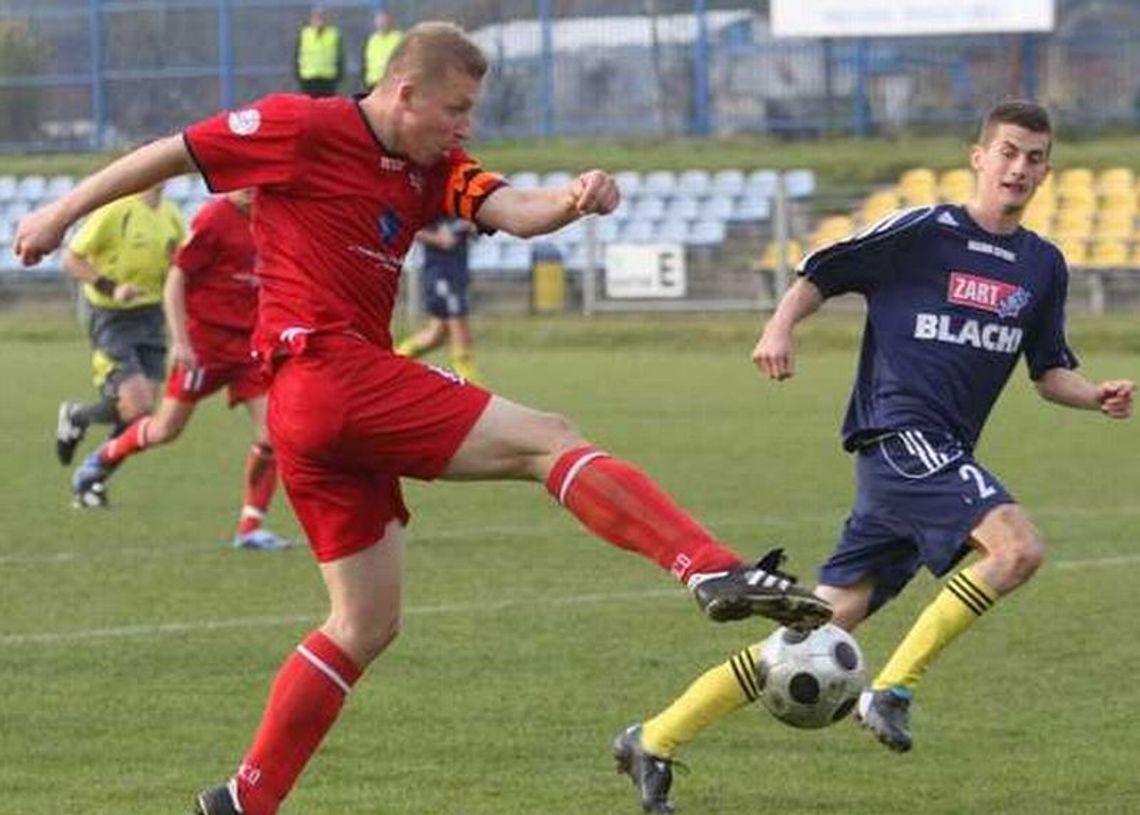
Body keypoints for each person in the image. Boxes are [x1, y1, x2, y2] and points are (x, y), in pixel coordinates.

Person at [14, 22, 831, 815]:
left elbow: (511, 208)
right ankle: (711, 566)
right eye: (455, 110)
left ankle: (244, 797)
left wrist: (575, 199)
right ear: (404, 93)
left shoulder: (430, 165)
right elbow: (176, 151)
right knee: (549, 438)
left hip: (315, 413)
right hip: (329, 371)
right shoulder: (303, 126)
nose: (464, 127)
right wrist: (59, 214)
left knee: (363, 622)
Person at [611, 99, 1134, 814]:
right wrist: (779, 326)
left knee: (813, 632)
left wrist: (1093, 394)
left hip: (933, 459)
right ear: (978, 156)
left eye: (1035, 157)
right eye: (1007, 151)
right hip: (899, 435)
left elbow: (1047, 371)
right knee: (1017, 548)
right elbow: (824, 267)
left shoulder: (1041, 265)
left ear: (1046, 171)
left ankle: (655, 737)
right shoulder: (925, 230)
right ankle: (889, 692)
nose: (1019, 167)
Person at [70, 188, 290, 550]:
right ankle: (103, 458)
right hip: (204, 345)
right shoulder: (214, 219)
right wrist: (182, 341)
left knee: (272, 437)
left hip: (248, 347)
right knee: (164, 429)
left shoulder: (274, 216)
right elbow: (176, 280)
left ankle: (250, 529)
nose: (253, 188)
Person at [54, 184, 186, 508]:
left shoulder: (171, 215)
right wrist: (111, 287)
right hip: (112, 316)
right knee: (139, 405)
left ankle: (90, 474)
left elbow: (183, 263)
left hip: (152, 316)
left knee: (138, 416)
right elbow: (71, 258)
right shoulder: (115, 210)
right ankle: (84, 450)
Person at [395, 217, 482, 383]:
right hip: (440, 273)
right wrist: (437, 239)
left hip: (458, 271)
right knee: (460, 329)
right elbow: (412, 228)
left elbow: (476, 231)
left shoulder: (460, 204)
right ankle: (473, 386)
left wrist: (474, 227)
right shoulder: (433, 202)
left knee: (436, 335)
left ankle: (394, 360)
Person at [294, 6, 343, 98]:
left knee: (327, 108)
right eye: (316, 18)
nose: (319, 21)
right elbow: (296, 57)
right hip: (308, 79)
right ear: (311, 19)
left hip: (328, 80)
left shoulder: (333, 34)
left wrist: (338, 78)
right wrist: (299, 77)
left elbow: (340, 58)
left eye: (321, 18)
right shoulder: (304, 34)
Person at [362, 9, 402, 92]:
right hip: (373, 82)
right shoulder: (371, 39)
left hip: (392, 82)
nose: (382, 24)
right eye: (379, 21)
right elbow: (365, 61)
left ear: (391, 22)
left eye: (384, 21)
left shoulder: (398, 38)